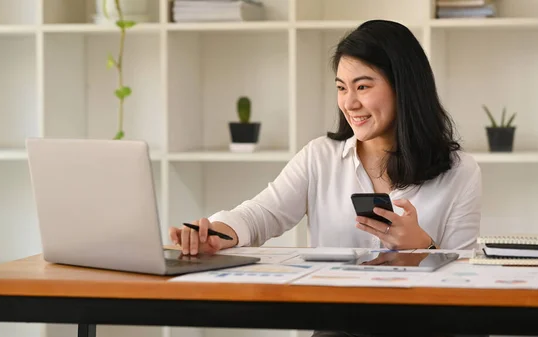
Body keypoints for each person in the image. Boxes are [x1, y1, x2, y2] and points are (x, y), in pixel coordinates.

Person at [169, 18, 483, 337]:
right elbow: (260, 215)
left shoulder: (460, 170)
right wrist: (216, 233)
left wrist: (423, 247)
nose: (349, 103)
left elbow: (467, 283)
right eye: (341, 88)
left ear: (403, 87)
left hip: (421, 326)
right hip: (340, 324)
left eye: (363, 86)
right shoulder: (320, 157)